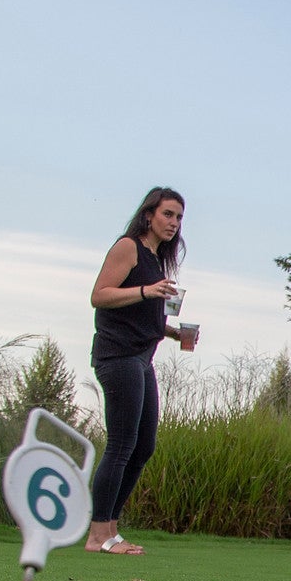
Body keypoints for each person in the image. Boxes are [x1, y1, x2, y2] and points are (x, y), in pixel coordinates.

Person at [86, 186, 200, 553]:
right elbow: (100, 295)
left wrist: (173, 332)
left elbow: (140, 314)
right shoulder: (128, 247)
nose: (174, 222)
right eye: (168, 214)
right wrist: (146, 291)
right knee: (121, 443)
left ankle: (111, 530)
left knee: (143, 446)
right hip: (117, 356)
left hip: (142, 358)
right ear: (149, 215)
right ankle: (97, 536)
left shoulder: (155, 260)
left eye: (179, 217)